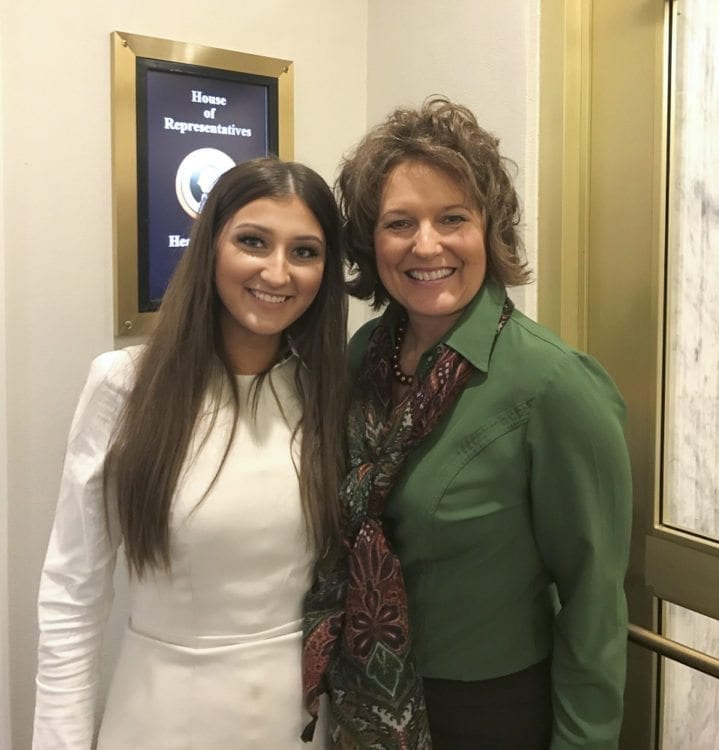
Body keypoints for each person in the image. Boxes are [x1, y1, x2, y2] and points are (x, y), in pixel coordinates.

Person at [303, 98, 632, 750]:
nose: (426, 245)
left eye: (451, 218)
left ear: (489, 229)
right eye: (400, 223)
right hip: (361, 699)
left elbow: (593, 607)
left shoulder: (555, 385)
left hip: (489, 713)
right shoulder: (360, 354)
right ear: (372, 241)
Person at [33, 157, 348, 749]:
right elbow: (73, 593)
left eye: (305, 252)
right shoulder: (125, 384)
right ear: (210, 248)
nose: (278, 272)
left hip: (299, 724)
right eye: (253, 241)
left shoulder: (325, 393)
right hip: (160, 719)